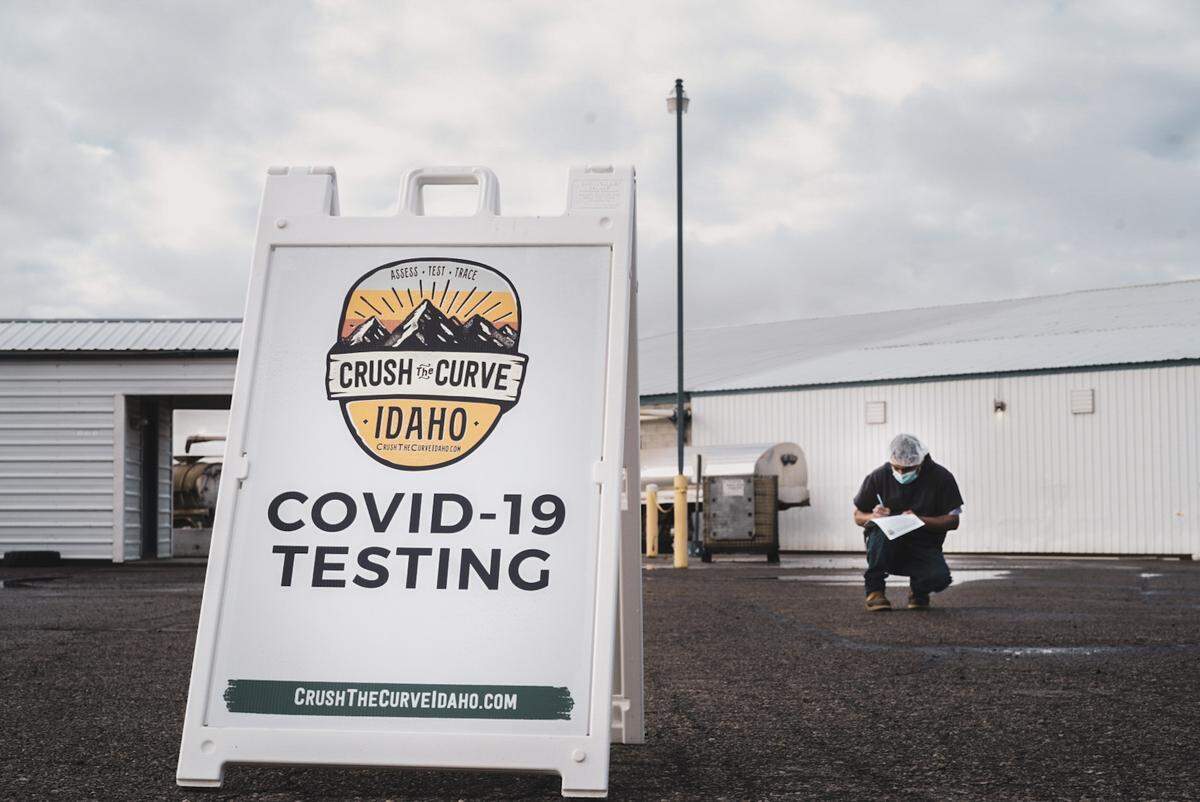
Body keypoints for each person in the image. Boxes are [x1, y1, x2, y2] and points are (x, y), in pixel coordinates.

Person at [852, 434, 963, 612]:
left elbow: (953, 520)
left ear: (920, 462)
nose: (902, 473)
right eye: (897, 468)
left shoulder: (941, 478)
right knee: (878, 531)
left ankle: (919, 590)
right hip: (887, 543)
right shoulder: (878, 477)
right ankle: (875, 591)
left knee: (940, 579)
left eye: (908, 468)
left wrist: (920, 520)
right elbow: (858, 515)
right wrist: (872, 517)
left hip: (923, 543)